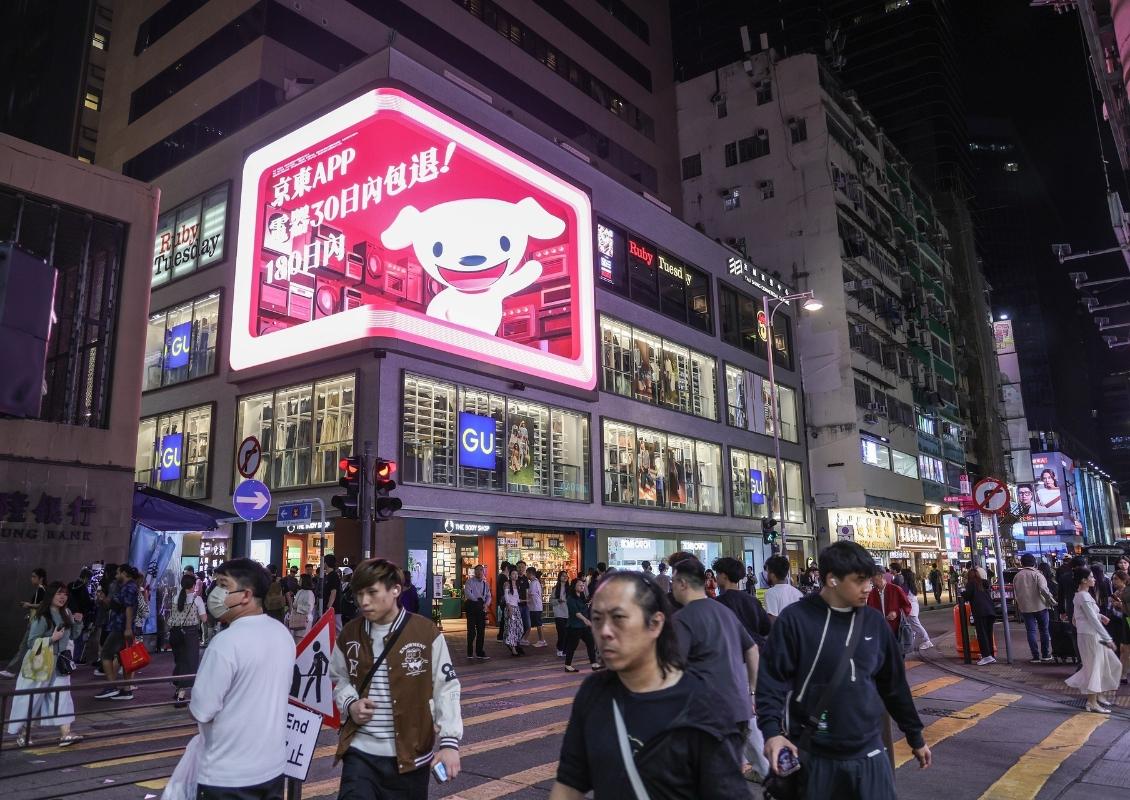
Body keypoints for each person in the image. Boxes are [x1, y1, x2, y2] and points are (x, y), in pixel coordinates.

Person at [549, 572, 747, 799]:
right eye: (597, 619)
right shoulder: (594, 691)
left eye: (618, 618)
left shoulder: (705, 708)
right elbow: (568, 785)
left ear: (655, 624)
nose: (604, 631)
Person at [757, 541, 930, 799]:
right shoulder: (795, 620)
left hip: (870, 754)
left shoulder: (874, 622)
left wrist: (915, 736)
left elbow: (894, 685)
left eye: (869, 581)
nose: (867, 588)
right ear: (832, 580)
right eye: (859, 581)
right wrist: (771, 733)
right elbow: (770, 681)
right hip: (815, 757)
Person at [330, 558, 461, 799]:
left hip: (411, 759)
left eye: (372, 592)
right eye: (359, 594)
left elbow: (446, 687)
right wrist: (350, 703)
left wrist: (449, 742)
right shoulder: (350, 633)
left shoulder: (425, 632)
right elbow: (339, 678)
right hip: (359, 756)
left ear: (395, 590)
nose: (364, 602)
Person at [179, 558, 295, 799]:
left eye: (223, 585)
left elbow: (202, 710)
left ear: (246, 595)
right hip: (272, 768)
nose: (215, 593)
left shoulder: (225, 643)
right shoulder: (282, 634)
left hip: (227, 775)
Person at [670, 557, 759, 772]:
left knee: (709, 779)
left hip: (709, 715)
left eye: (673, 582)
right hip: (740, 712)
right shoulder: (724, 611)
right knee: (725, 776)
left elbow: (673, 669)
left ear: (682, 583)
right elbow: (752, 649)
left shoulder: (682, 619)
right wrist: (752, 691)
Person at [711, 557, 772, 780]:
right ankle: (752, 762)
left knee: (746, 714)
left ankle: (764, 768)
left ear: (724, 576)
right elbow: (765, 627)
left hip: (736, 663)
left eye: (717, 574)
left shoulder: (718, 603)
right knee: (750, 711)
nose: (716, 578)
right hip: (758, 657)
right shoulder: (751, 600)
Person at [7, 581, 84, 747]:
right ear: (51, 595)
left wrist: (78, 622)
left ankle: (65, 734)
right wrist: (51, 639)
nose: (63, 597)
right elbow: (31, 641)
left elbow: (73, 636)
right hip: (40, 663)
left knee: (63, 698)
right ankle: (23, 734)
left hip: (60, 664)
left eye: (65, 594)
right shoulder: (43, 616)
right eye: (59, 593)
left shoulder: (67, 613)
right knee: (32, 698)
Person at [1065, 567, 1121, 713]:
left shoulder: (1080, 595)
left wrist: (1101, 616)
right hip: (1091, 636)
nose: (1094, 579)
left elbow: (1077, 619)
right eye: (1091, 577)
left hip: (1089, 635)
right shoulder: (1083, 596)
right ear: (1084, 580)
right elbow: (1090, 619)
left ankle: (1098, 696)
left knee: (1102, 665)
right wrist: (1107, 638)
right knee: (1094, 668)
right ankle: (1092, 702)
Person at [95, 565, 140, 701]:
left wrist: (127, 628)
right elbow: (117, 605)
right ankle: (126, 690)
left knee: (106, 653)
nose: (115, 575)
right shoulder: (126, 587)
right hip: (119, 626)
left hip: (120, 627)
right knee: (123, 658)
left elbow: (129, 607)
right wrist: (103, 599)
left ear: (124, 573)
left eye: (118, 573)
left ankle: (111, 686)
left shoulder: (129, 587)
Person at [167, 573, 207, 707]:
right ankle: (181, 696)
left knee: (180, 661)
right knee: (189, 663)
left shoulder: (175, 597)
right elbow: (204, 619)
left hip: (175, 633)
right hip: (189, 634)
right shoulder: (197, 599)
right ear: (193, 585)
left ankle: (177, 687)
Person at [1, 567, 48, 678]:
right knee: (29, 647)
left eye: (34, 577)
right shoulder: (41, 589)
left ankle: (12, 670)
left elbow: (43, 605)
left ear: (41, 578)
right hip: (35, 622)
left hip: (35, 624)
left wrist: (29, 605)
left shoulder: (41, 589)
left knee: (24, 647)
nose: (31, 579)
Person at [1013, 554, 1056, 664]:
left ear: (1022, 563)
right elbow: (1043, 589)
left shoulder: (1017, 576)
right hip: (1040, 606)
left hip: (1026, 608)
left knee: (1031, 631)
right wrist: (1051, 601)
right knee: (1044, 630)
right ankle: (1045, 654)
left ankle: (1035, 656)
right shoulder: (1037, 575)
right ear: (1034, 563)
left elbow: (1016, 592)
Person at [867, 568, 912, 645]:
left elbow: (907, 606)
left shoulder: (896, 589)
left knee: (898, 654)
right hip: (880, 631)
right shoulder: (871, 593)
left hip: (896, 630)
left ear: (880, 576)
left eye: (872, 577)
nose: (871, 579)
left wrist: (896, 613)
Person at [963, 567, 997, 666]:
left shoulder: (971, 584)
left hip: (980, 612)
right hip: (990, 611)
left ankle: (986, 656)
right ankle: (990, 655)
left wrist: (962, 593)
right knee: (988, 633)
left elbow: (968, 596)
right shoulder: (984, 583)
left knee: (982, 634)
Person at [563, 578, 599, 672]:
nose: (582, 586)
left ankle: (594, 663)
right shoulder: (570, 598)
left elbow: (583, 609)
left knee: (590, 642)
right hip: (574, 626)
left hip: (583, 626)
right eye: (580, 585)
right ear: (574, 586)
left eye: (583, 585)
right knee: (572, 646)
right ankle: (567, 665)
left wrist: (588, 604)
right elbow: (576, 613)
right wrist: (586, 620)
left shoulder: (582, 597)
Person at [462, 565, 492, 660]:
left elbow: (489, 596)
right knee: (471, 631)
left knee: (481, 631)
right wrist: (477, 601)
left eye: (481, 570)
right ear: (474, 572)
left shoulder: (485, 584)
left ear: (483, 572)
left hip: (481, 608)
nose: (479, 572)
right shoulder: (470, 581)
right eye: (477, 570)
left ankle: (480, 652)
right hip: (471, 606)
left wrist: (486, 604)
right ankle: (469, 652)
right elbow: (467, 593)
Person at [66, 568, 93, 668]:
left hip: (68, 614)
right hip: (79, 616)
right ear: (86, 578)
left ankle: (67, 658)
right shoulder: (83, 588)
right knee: (78, 638)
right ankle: (76, 658)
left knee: (69, 637)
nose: (89, 582)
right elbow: (86, 604)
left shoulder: (70, 585)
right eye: (89, 579)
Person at [763, 556, 803, 623]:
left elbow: (773, 621)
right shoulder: (798, 593)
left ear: (773, 575)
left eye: (767, 572)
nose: (766, 575)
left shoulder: (771, 593)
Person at [502, 567, 525, 657]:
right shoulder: (507, 584)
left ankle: (511, 644)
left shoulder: (517, 584)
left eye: (516, 574)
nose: (515, 576)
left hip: (516, 608)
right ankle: (513, 649)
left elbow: (517, 599)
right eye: (513, 574)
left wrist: (526, 600)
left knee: (520, 628)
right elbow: (506, 597)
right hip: (510, 608)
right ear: (510, 575)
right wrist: (509, 608)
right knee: (511, 628)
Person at [289, 574, 317, 643]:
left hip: (304, 620)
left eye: (300, 580)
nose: (299, 581)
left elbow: (309, 608)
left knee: (300, 642)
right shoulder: (300, 591)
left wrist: (297, 606)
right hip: (297, 619)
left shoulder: (309, 593)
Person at [527, 567, 547, 647]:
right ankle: (524, 639)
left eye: (527, 573)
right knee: (533, 623)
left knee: (538, 624)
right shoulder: (535, 582)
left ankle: (542, 640)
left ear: (530, 573)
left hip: (535, 606)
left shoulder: (534, 582)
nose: (526, 574)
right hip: (535, 606)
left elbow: (530, 594)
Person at [551, 571, 570, 657]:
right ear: (559, 577)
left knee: (567, 633)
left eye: (566, 576)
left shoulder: (570, 589)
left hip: (568, 613)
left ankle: (565, 649)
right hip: (558, 613)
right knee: (561, 632)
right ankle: (560, 648)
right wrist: (558, 600)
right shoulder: (555, 589)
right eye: (563, 576)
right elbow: (551, 602)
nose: (565, 577)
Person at [323, 554, 343, 631]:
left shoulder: (333, 576)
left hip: (334, 608)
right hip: (331, 608)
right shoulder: (328, 576)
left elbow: (333, 593)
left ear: (326, 563)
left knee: (338, 628)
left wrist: (328, 608)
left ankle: (341, 642)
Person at [495, 561, 511, 642]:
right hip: (504, 600)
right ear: (506, 568)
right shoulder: (503, 577)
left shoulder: (500, 576)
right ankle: (501, 635)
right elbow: (505, 590)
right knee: (504, 618)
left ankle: (501, 635)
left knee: (504, 618)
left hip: (501, 600)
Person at [515, 560, 532, 637]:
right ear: (516, 568)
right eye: (519, 567)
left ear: (525, 568)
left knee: (527, 625)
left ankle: (521, 639)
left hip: (525, 605)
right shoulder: (514, 578)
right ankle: (517, 640)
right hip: (517, 605)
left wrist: (528, 602)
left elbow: (527, 591)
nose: (521, 569)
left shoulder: (526, 579)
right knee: (518, 624)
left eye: (522, 567)